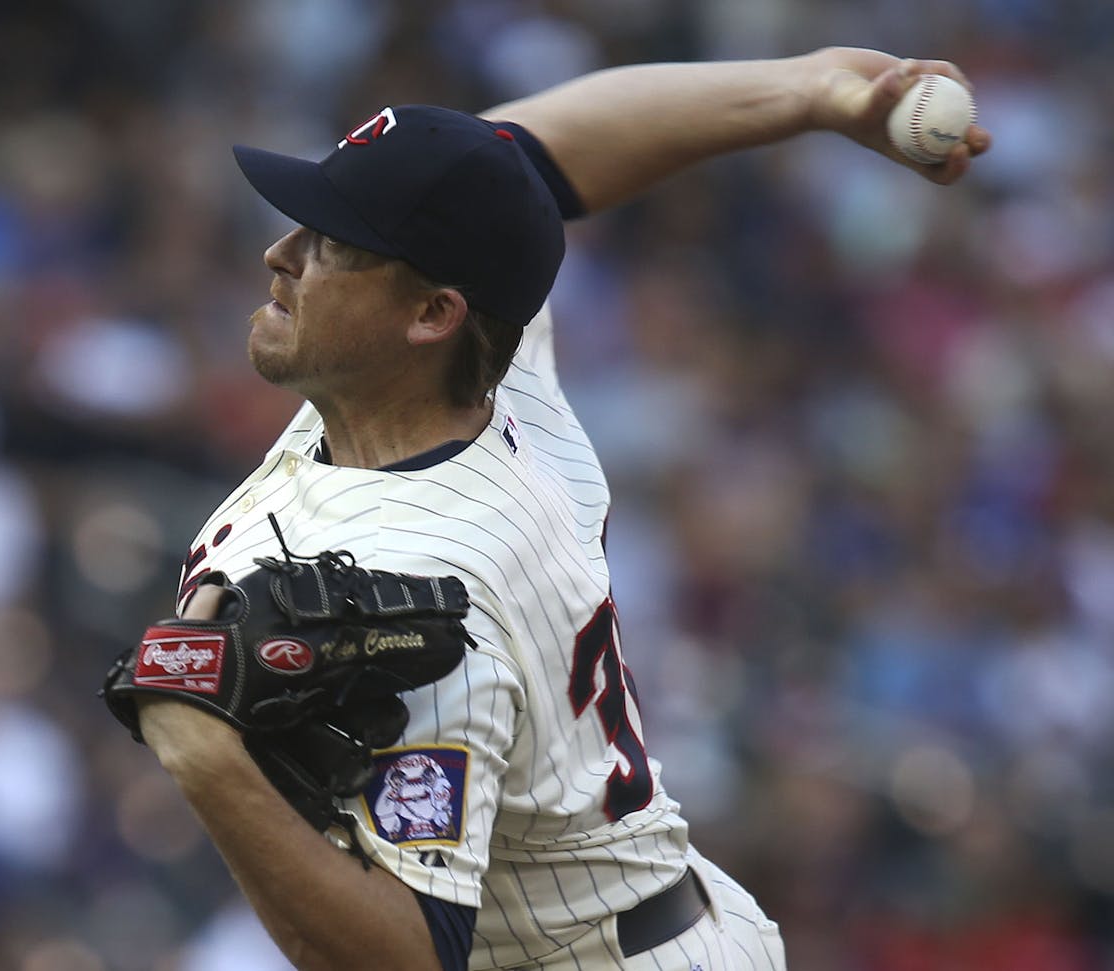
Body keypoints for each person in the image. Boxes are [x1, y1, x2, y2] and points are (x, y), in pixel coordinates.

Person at [129, 48, 990, 971]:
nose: (282, 254)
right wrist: (811, 92)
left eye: (333, 244)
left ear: (430, 312)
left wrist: (207, 759)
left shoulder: (424, 583)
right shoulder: (487, 372)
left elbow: (411, 955)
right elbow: (535, 158)